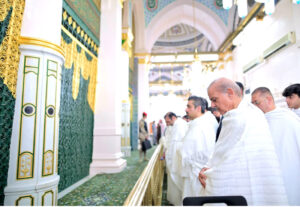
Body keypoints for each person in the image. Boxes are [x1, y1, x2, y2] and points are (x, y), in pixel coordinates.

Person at [198, 78, 288, 205]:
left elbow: (228, 161)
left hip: (242, 183)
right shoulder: (249, 112)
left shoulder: (240, 117)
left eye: (214, 99)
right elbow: (222, 151)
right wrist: (209, 166)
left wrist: (207, 171)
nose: (212, 105)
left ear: (230, 93)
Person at [251, 87, 300, 205]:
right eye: (252, 104)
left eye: (257, 103)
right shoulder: (257, 122)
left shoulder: (288, 118)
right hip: (270, 174)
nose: (254, 107)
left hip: (291, 170)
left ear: (268, 99)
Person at [178, 96, 218, 201]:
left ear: (199, 108)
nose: (186, 110)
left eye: (189, 107)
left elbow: (202, 151)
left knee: (196, 199)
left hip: (198, 172)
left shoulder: (202, 125)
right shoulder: (198, 123)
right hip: (194, 170)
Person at [164, 112, 188, 206]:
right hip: (174, 156)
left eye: (168, 121)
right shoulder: (176, 124)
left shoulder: (180, 125)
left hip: (177, 157)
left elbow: (176, 144)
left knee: (177, 179)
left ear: (173, 117)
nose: (167, 123)